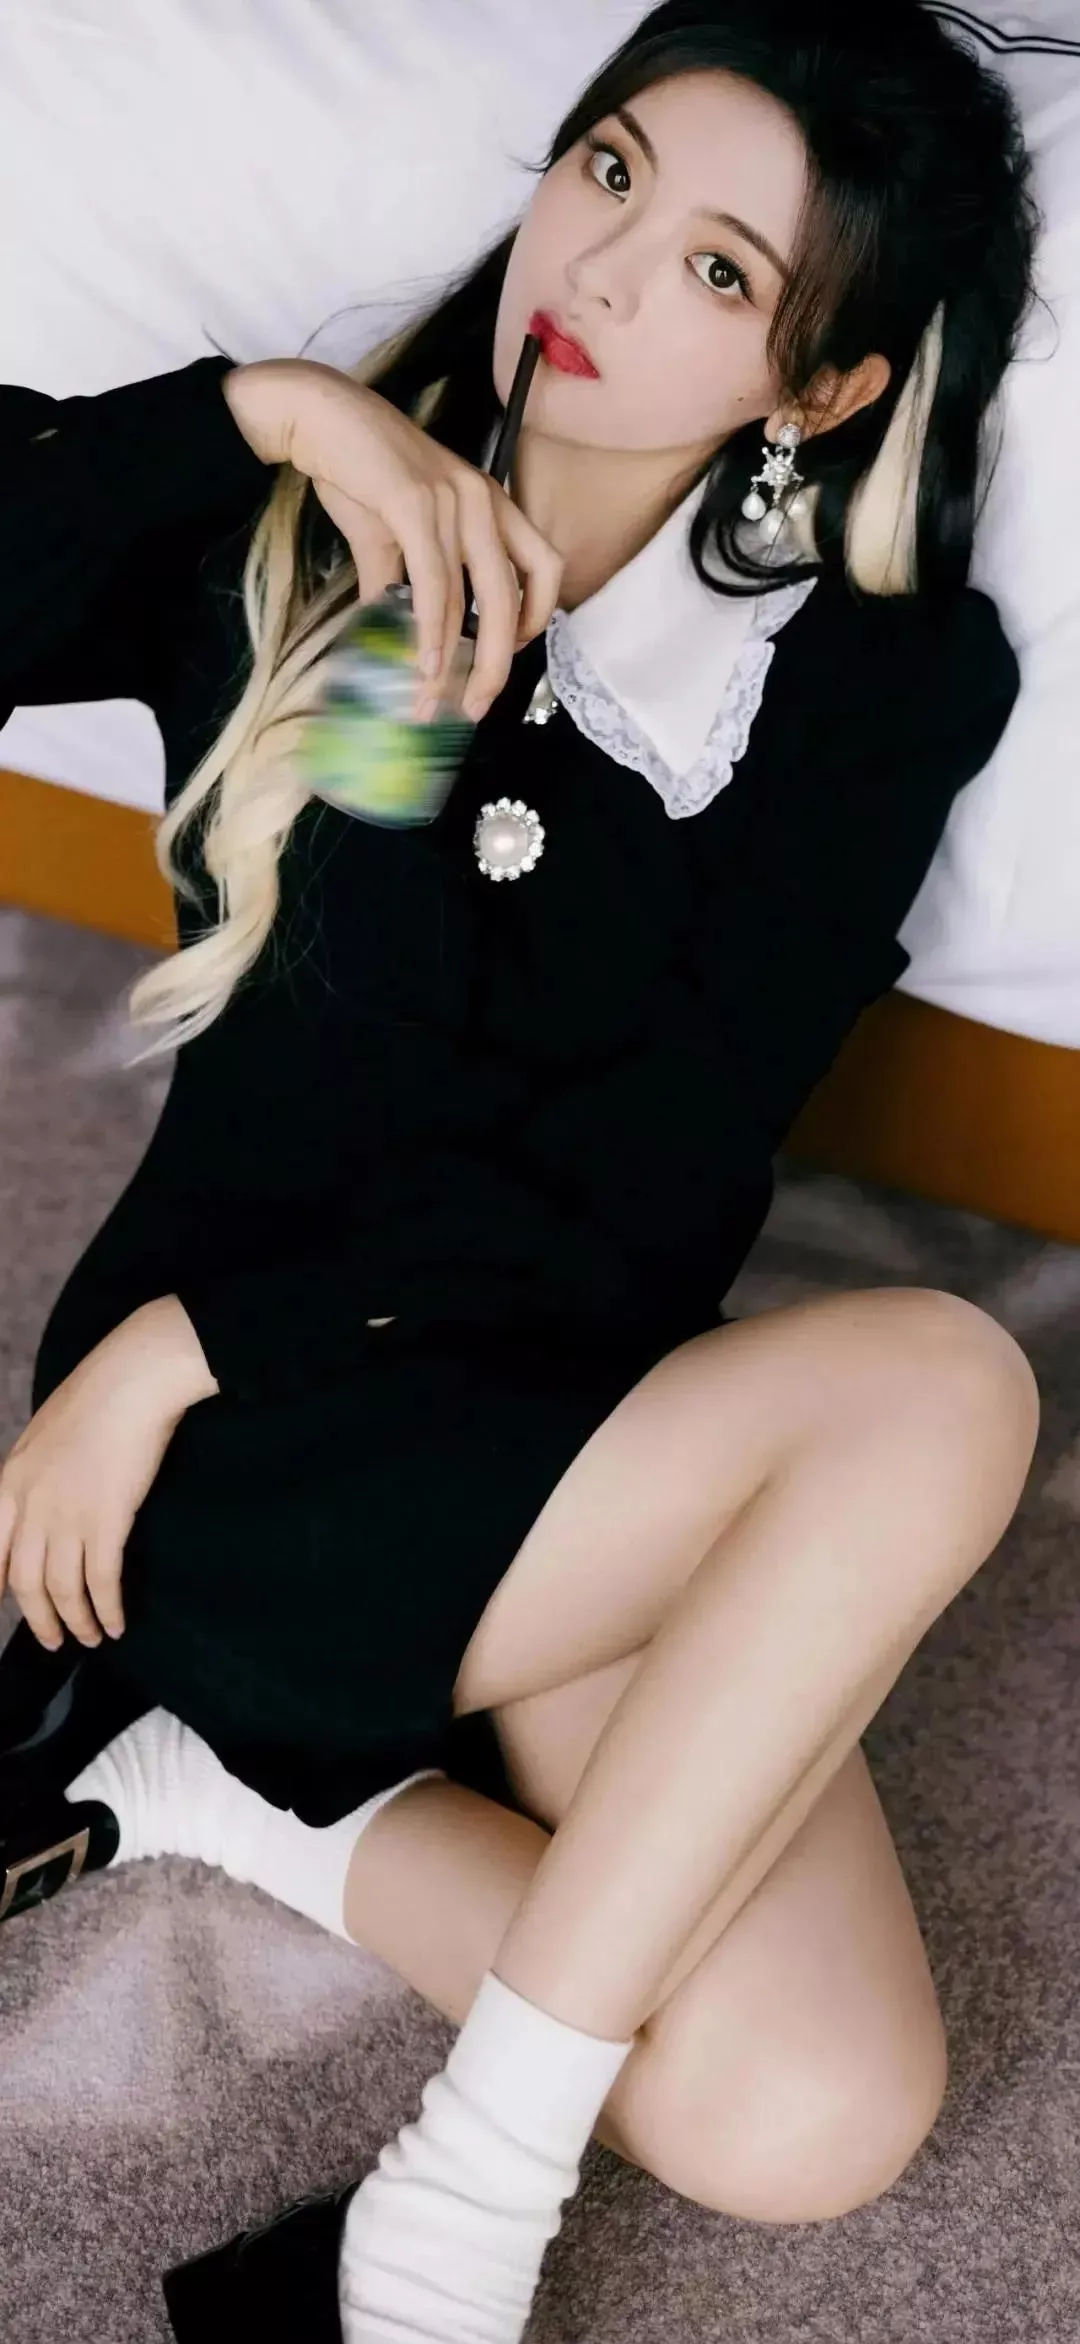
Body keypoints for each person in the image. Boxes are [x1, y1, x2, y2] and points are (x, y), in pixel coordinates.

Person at [0, 3, 1045, 2339]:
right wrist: (254, 412)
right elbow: (331, 1100)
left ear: (822, 388)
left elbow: (650, 1175)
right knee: (946, 1383)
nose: (604, 266)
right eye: (610, 170)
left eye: (721, 271)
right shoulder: (293, 541)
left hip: (523, 1411)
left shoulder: (864, 688)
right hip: (244, 1457)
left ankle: (237, 1798)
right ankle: (449, 2233)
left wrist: (188, 1340)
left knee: (812, 2113)